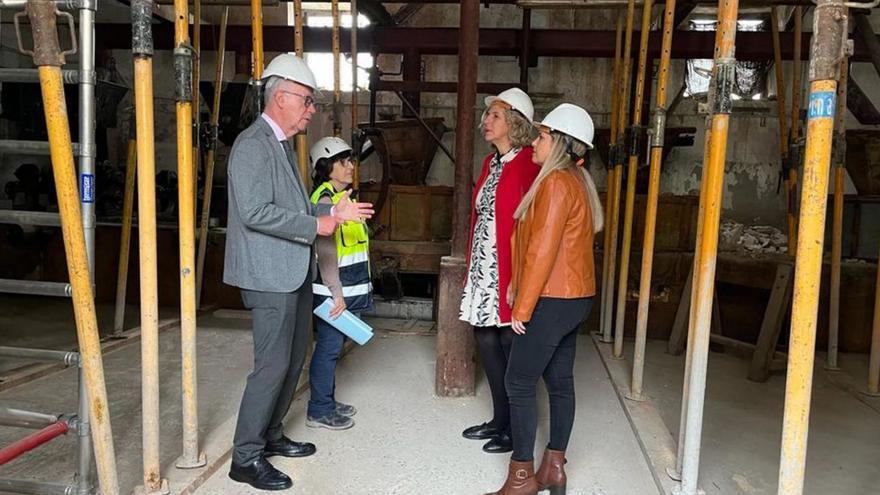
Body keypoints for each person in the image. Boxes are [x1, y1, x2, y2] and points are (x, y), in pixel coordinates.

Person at [224, 54, 373, 491]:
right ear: (281, 97)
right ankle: (245, 457)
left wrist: (332, 211)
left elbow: (296, 208)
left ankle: (270, 435)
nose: (311, 110)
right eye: (307, 101)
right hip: (268, 275)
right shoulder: (253, 145)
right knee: (270, 367)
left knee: (292, 363)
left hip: (290, 272)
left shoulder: (283, 146)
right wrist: (317, 224)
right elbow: (254, 212)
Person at [486, 103, 604, 495]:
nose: (535, 141)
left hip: (551, 300)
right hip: (574, 298)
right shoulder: (574, 181)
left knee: (518, 382)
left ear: (560, 144)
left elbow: (543, 249)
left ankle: (521, 480)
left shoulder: (555, 183)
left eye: (542, 136)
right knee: (559, 381)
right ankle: (554, 468)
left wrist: (521, 307)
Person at [459, 88, 540, 454]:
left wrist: (520, 280)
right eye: (486, 115)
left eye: (494, 116)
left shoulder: (528, 163)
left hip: (508, 268)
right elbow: (481, 216)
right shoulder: (490, 163)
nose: (485, 122)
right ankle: (499, 419)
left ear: (515, 123)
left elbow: (532, 228)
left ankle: (515, 429)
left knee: (509, 342)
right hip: (483, 265)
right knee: (485, 338)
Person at [305, 136, 373, 431]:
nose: (350, 166)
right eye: (343, 162)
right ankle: (319, 409)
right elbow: (326, 252)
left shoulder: (343, 198)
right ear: (326, 167)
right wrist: (336, 294)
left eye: (351, 160)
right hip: (332, 290)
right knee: (329, 348)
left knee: (334, 347)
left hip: (347, 287)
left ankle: (327, 401)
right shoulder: (324, 201)